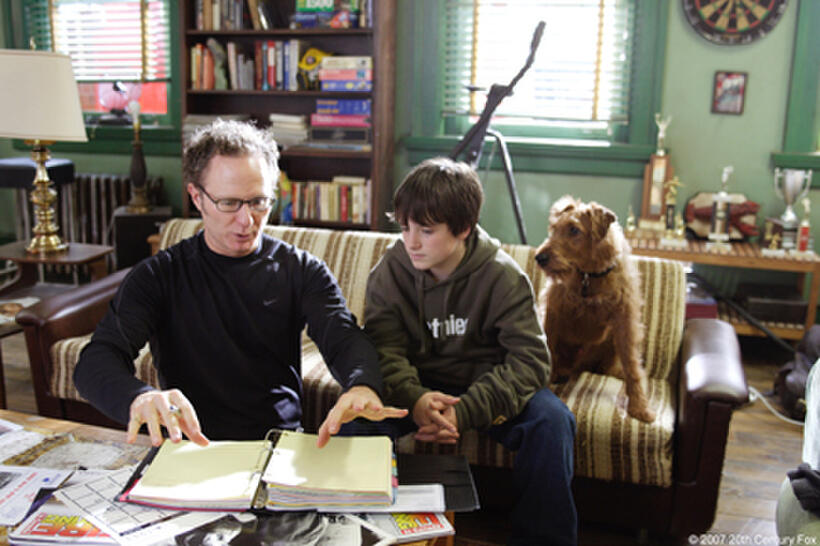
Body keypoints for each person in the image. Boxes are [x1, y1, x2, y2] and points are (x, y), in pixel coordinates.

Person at [74, 119, 406, 449]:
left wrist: (362, 385)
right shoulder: (159, 275)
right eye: (229, 203)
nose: (246, 221)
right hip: (192, 447)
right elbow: (97, 359)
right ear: (196, 197)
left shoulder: (301, 270)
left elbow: (343, 336)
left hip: (276, 446)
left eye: (259, 202)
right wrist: (139, 397)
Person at [359, 157, 577, 545]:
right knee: (356, 418)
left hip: (484, 383)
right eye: (405, 226)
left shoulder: (503, 276)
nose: (410, 241)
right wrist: (417, 398)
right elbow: (383, 349)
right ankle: (357, 533)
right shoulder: (390, 271)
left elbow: (530, 362)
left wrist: (466, 410)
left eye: (426, 230)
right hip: (417, 383)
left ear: (463, 229)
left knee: (552, 422)